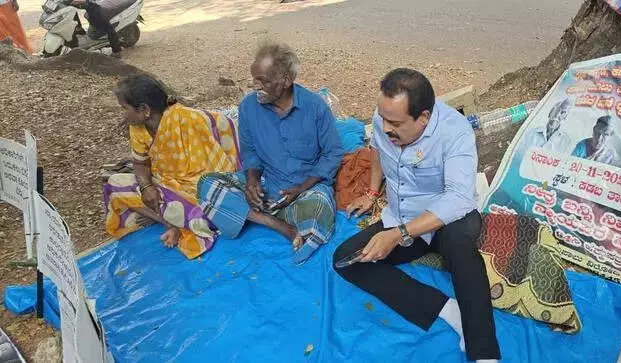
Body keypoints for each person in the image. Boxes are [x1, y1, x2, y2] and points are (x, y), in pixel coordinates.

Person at [336, 68, 500, 362]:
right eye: (382, 118)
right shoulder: (383, 121)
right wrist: (373, 192)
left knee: (462, 250)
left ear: (423, 117)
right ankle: (448, 309)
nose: (385, 127)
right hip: (403, 217)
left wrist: (398, 235)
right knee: (346, 260)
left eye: (395, 123)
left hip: (450, 219)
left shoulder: (455, 131)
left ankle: (484, 351)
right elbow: (377, 150)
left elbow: (459, 197)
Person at [197, 41, 344, 265]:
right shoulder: (247, 107)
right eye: (254, 78)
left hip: (304, 189)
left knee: (320, 206)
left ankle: (250, 214)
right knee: (207, 183)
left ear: (285, 81)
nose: (255, 85)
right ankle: (279, 225)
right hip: (267, 184)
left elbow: (332, 154)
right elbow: (250, 151)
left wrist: (302, 187)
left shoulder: (315, 107)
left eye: (262, 80)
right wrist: (252, 181)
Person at [103, 74, 240, 259]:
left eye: (124, 108)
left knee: (201, 209)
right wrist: (146, 186)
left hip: (197, 189)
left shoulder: (189, 120)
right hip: (165, 186)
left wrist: (167, 191)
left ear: (144, 109)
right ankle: (171, 223)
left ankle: (178, 222)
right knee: (114, 185)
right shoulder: (137, 127)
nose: (123, 114)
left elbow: (208, 175)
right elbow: (140, 162)